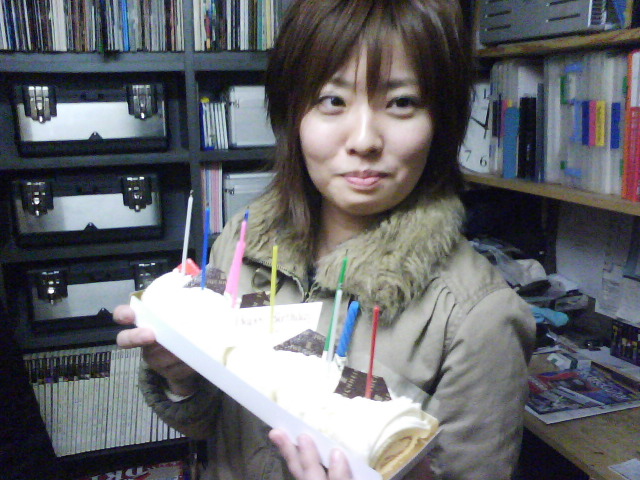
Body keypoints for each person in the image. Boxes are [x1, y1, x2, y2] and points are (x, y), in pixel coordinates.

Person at [114, 0, 536, 479]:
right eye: (333, 101)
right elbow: (209, 425)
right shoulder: (242, 244)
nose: (364, 140)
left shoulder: (479, 318)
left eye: (401, 102)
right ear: (293, 113)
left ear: (441, 121)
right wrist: (181, 377)